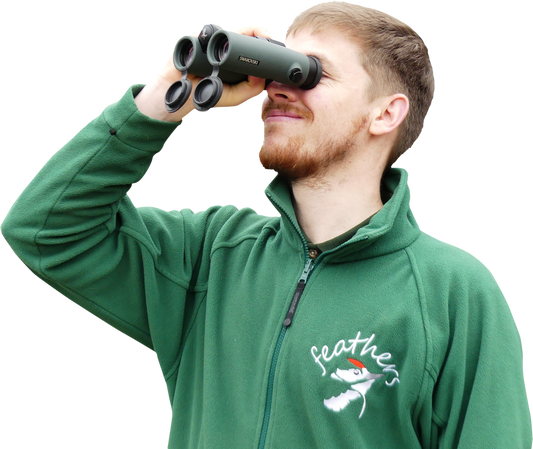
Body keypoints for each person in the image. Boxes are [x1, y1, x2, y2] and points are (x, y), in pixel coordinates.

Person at [1, 1, 531, 448]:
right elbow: (44, 229)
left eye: (308, 72)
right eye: (278, 67)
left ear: (385, 113)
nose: (277, 88)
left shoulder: (454, 291)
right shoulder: (214, 254)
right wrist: (170, 93)